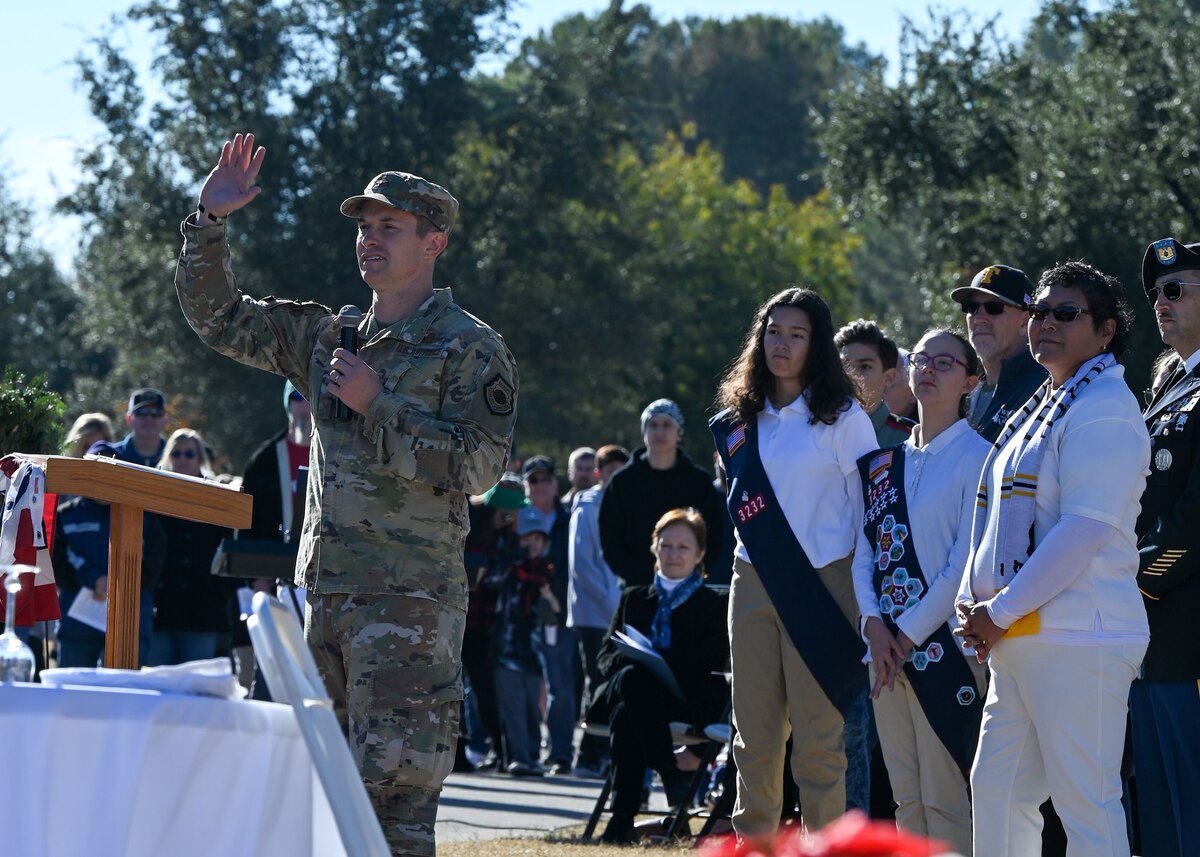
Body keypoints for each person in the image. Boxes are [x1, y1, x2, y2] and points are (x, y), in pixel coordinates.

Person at [175, 133, 518, 856]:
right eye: (364, 226)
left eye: (388, 226)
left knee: (389, 819)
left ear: (433, 241)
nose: (368, 239)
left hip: (408, 613)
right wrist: (209, 221)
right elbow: (219, 318)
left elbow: (481, 466)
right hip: (324, 605)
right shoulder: (330, 335)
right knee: (317, 811)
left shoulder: (469, 347)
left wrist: (380, 403)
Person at [955, 261, 1149, 857]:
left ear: (1106, 330)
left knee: (1086, 804)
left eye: (1066, 314)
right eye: (1039, 312)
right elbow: (989, 519)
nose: (1046, 324)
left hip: (1080, 639)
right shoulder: (1046, 402)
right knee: (996, 791)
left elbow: (1084, 531)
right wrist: (973, 603)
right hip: (1023, 637)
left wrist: (1000, 610)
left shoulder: (1105, 407)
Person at [710, 287, 876, 835]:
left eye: (797, 334)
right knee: (752, 739)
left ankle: (823, 847)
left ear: (817, 345)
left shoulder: (845, 417)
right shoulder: (738, 419)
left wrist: (868, 604)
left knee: (817, 745)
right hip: (752, 579)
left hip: (825, 585)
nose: (781, 344)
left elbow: (868, 517)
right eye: (773, 331)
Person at [852, 328, 989, 855]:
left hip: (943, 650)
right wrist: (872, 625)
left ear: (969, 381)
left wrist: (902, 637)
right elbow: (867, 551)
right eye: (923, 359)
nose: (929, 369)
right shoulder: (886, 463)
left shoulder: (980, 457)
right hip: (882, 650)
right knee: (906, 799)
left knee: (946, 795)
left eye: (946, 363)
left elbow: (962, 566)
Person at [590, 508, 730, 844]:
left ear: (699, 554)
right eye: (666, 545)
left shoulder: (716, 600)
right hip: (633, 691)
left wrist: (660, 659)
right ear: (654, 549)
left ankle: (622, 818)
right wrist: (638, 660)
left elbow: (714, 656)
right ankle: (669, 773)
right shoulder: (634, 597)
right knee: (633, 680)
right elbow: (605, 656)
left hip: (688, 698)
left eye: (683, 547)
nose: (673, 554)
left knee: (628, 710)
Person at [1132, 236, 1200, 857]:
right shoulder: (1170, 383)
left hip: (1187, 631)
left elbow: (1195, 519)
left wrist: (1137, 577)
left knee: (1190, 799)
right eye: (1157, 293)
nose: (1161, 301)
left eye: (1176, 289)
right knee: (1155, 803)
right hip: (1151, 630)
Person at [51, 441, 166, 667]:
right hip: (78, 623)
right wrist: (93, 580)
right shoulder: (66, 515)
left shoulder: (143, 515)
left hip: (129, 622)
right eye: (96, 471)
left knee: (123, 694)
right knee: (75, 694)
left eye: (109, 469)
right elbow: (58, 563)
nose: (102, 478)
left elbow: (154, 561)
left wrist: (119, 583)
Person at [599, 399, 725, 588]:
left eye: (667, 425)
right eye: (653, 425)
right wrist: (637, 576)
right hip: (637, 588)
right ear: (644, 432)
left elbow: (713, 534)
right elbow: (610, 536)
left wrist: (693, 573)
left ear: (679, 433)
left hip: (689, 586)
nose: (659, 432)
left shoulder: (698, 481)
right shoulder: (623, 481)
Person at [148, 429, 236, 666]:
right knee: (160, 688)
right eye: (176, 453)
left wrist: (221, 593)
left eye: (189, 454)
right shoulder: (152, 499)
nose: (182, 459)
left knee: (197, 690)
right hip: (161, 609)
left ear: (200, 459)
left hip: (203, 611)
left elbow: (228, 550)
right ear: (168, 457)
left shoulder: (217, 498)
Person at [567, 443, 629, 777]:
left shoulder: (627, 505)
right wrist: (612, 604)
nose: (615, 476)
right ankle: (586, 755)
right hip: (593, 614)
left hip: (618, 610)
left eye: (622, 470)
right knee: (597, 679)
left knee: (614, 680)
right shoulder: (587, 506)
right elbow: (582, 566)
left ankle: (604, 753)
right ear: (598, 474)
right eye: (610, 471)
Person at [488, 505, 557, 777]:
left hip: (533, 653)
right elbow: (492, 581)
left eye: (538, 540)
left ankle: (532, 756)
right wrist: (512, 559)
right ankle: (517, 757)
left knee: (531, 708)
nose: (533, 546)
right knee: (512, 706)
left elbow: (555, 610)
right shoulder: (507, 567)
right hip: (505, 649)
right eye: (527, 539)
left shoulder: (546, 573)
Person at [521, 454, 576, 775]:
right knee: (517, 685)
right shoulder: (515, 517)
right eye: (533, 480)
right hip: (516, 616)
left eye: (545, 479)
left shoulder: (569, 518)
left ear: (556, 483)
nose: (540, 486)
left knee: (560, 687)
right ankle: (519, 752)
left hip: (557, 614)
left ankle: (561, 754)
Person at [950, 265, 1047, 442]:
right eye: (972, 307)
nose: (979, 318)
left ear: (1025, 321)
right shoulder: (960, 385)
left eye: (994, 308)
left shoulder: (1044, 387)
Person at [836, 319, 914, 447]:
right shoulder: (815, 428)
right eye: (844, 365)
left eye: (865, 367)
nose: (851, 375)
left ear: (889, 377)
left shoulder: (910, 440)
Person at [113, 388, 169, 466]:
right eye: (141, 413)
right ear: (129, 419)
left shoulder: (179, 457)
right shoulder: (112, 456)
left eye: (156, 413)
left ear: (165, 419)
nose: (149, 419)